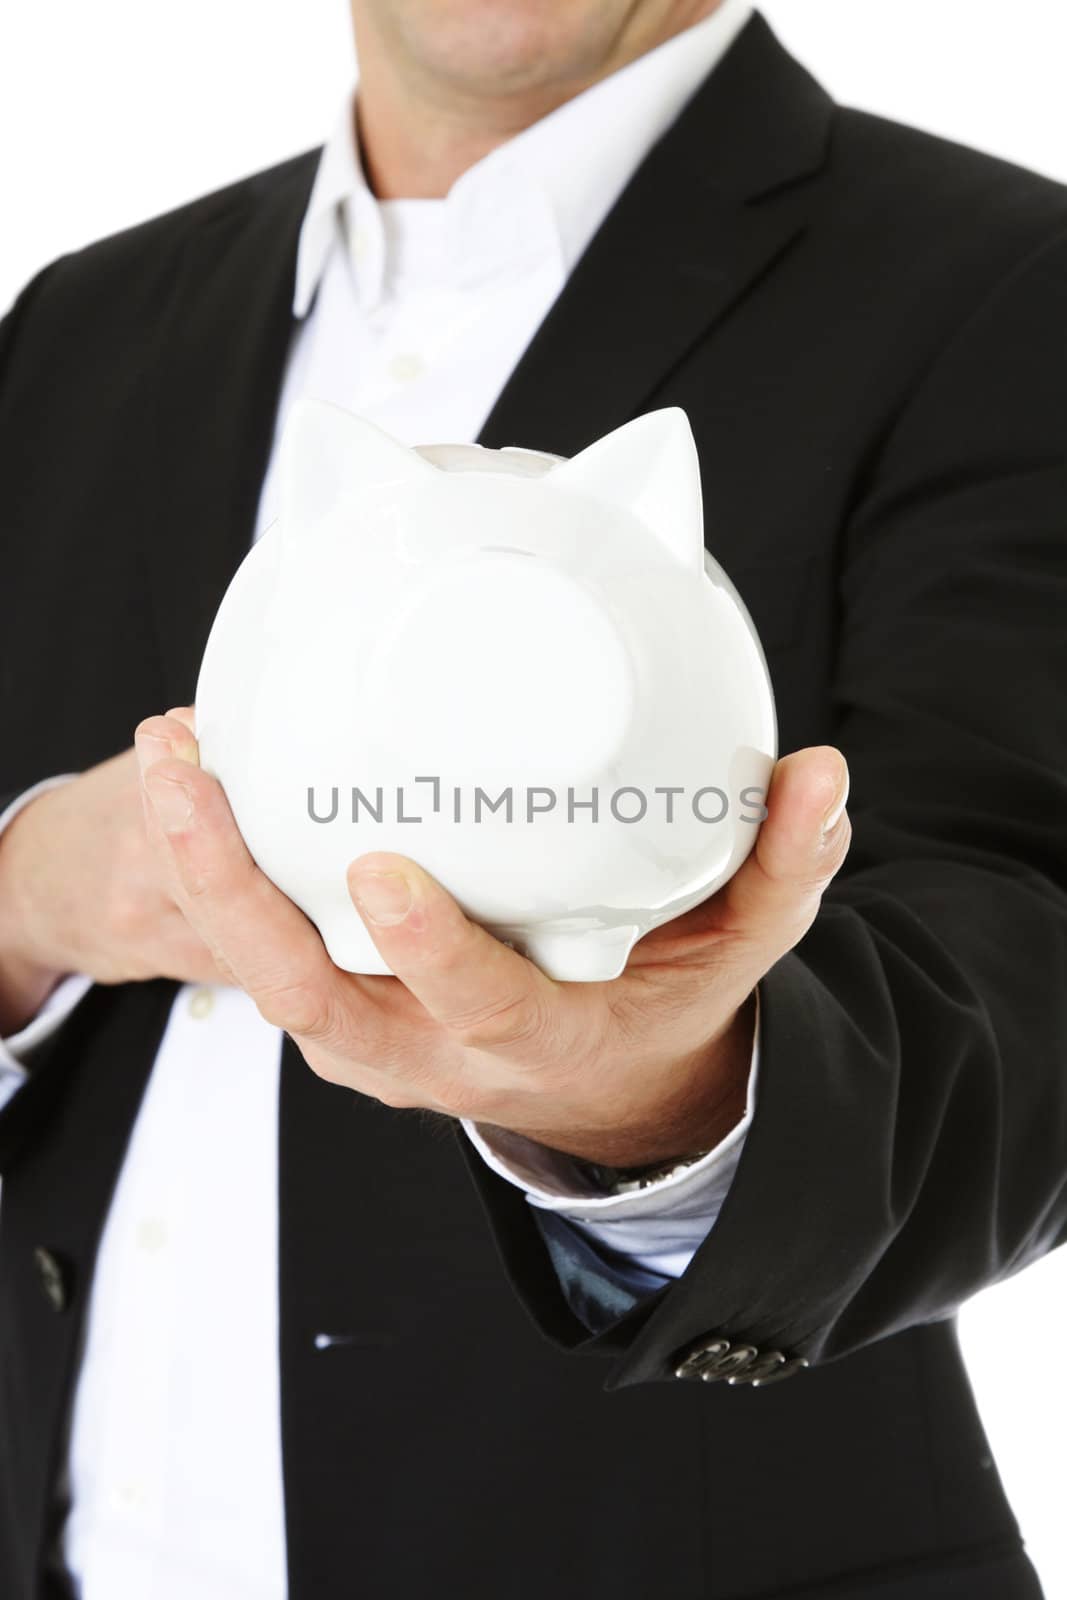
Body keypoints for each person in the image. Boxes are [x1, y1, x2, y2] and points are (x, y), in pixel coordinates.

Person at [1, 0, 1065, 1595]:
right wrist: (25, 900)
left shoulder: (1008, 284)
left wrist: (647, 1097)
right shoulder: (83, 318)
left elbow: (1031, 980)